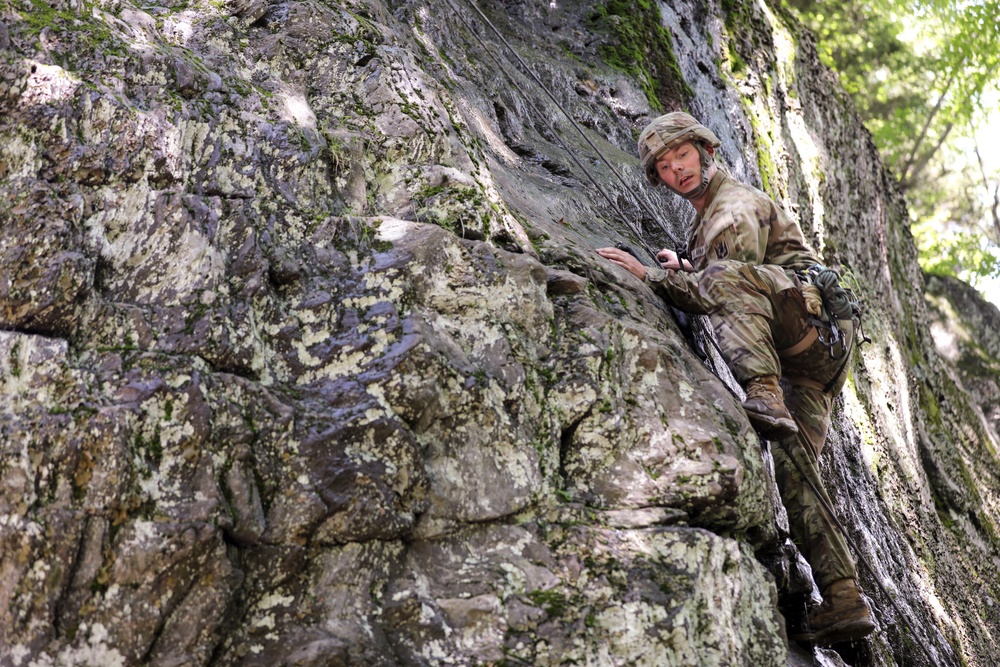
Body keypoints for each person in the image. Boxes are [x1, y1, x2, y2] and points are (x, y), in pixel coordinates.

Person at [596, 111, 874, 646]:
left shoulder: (733, 203)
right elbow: (728, 277)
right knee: (795, 466)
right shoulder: (710, 219)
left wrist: (652, 277)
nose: (677, 168)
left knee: (722, 281)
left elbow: (725, 284)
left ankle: (762, 391)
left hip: (805, 332)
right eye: (665, 164)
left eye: (682, 154)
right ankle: (843, 600)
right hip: (815, 364)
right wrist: (684, 264)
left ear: (704, 151)